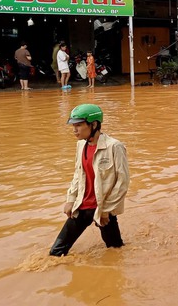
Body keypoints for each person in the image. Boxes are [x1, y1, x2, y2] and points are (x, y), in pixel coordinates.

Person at [49, 104, 130, 256]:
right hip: (81, 207)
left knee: (115, 252)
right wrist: (70, 199)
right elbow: (78, 174)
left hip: (103, 209)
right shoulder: (80, 145)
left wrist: (106, 211)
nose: (75, 130)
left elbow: (122, 182)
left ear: (93, 124)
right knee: (56, 253)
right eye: (73, 126)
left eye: (79, 125)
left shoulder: (114, 147)